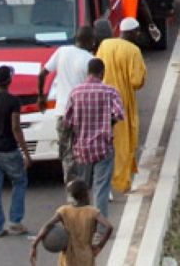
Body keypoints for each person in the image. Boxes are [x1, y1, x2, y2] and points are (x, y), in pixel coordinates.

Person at [62, 57, 124, 219]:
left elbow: (67, 121)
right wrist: (107, 123)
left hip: (81, 149)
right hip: (103, 147)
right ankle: (100, 230)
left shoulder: (75, 92)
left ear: (88, 72)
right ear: (102, 73)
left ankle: (82, 224)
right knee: (101, 189)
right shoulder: (110, 91)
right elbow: (119, 114)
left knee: (82, 189)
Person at [0, 64, 32, 238]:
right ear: (9, 80)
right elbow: (16, 128)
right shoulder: (13, 101)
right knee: (19, 181)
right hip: (9, 149)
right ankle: (15, 222)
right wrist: (26, 153)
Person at [39, 26, 97, 182]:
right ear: (89, 41)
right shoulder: (90, 60)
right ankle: (81, 186)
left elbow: (42, 73)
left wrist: (41, 97)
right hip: (80, 115)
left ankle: (71, 188)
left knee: (66, 154)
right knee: (82, 152)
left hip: (62, 113)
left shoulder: (62, 51)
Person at [96, 18, 147, 194]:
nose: (139, 35)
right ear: (131, 32)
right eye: (137, 31)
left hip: (102, 99)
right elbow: (136, 81)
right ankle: (121, 182)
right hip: (122, 101)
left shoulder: (105, 45)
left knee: (103, 142)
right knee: (123, 142)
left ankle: (104, 182)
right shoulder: (133, 51)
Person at [29, 178, 113, 266]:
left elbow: (47, 225)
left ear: (71, 196)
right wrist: (99, 246)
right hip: (86, 255)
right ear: (86, 194)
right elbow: (109, 227)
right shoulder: (92, 212)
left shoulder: (64, 210)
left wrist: (34, 245)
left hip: (67, 256)